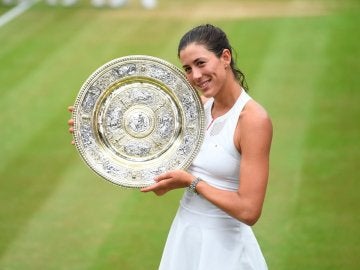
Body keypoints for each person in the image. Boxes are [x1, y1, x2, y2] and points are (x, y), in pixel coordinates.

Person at [68, 24, 272, 270]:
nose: (195, 76)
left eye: (201, 63)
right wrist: (95, 130)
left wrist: (191, 182)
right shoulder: (199, 110)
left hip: (225, 249)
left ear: (225, 57)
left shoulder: (253, 120)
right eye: (187, 68)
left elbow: (249, 210)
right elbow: (150, 137)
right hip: (185, 235)